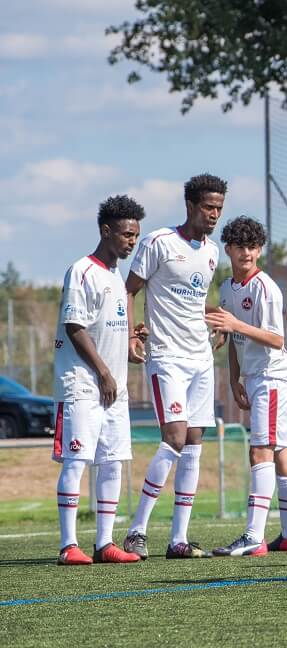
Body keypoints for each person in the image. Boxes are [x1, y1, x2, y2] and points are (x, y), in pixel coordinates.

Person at [122, 174, 225, 560]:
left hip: (202, 359)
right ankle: (136, 531)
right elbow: (128, 290)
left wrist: (217, 323)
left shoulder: (212, 252)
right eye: (208, 207)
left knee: (195, 445)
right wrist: (132, 333)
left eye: (218, 208)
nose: (214, 215)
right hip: (167, 357)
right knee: (175, 438)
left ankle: (178, 538)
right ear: (191, 206)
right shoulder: (158, 243)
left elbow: (195, 304)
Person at [52, 195, 146, 565]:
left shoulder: (115, 276)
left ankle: (105, 543)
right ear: (106, 231)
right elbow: (75, 327)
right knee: (76, 461)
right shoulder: (82, 271)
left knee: (112, 461)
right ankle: (68, 545)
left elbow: (106, 332)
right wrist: (104, 372)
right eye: (126, 234)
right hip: (83, 385)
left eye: (135, 235)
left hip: (113, 388)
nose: (131, 241)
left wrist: (132, 343)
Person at [206, 216, 287, 556]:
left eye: (252, 247)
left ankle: (253, 536)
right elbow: (233, 339)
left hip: (274, 378)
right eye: (239, 247)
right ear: (228, 249)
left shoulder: (265, 288)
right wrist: (234, 378)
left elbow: (276, 339)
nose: (246, 253)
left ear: (259, 250)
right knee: (279, 452)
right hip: (256, 378)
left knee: (259, 449)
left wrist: (234, 324)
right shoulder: (227, 289)